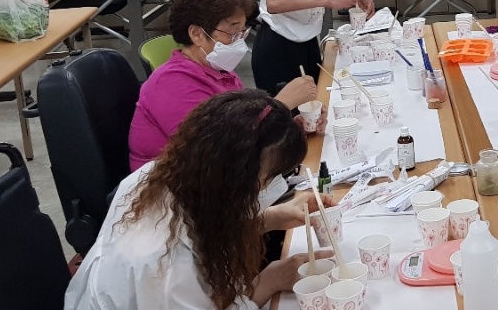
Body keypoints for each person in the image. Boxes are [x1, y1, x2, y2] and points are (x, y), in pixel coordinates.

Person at [67, 90, 334, 310]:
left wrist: (266, 219)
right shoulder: (167, 270)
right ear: (234, 180)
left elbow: (201, 230)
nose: (268, 188)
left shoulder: (163, 176)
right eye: (267, 179)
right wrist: (268, 282)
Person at [127, 0, 317, 171]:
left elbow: (244, 131)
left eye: (242, 33)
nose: (239, 42)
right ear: (197, 34)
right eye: (233, 33)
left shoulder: (220, 72)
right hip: (172, 182)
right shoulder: (171, 83)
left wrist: (288, 130)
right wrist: (279, 105)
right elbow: (217, 150)